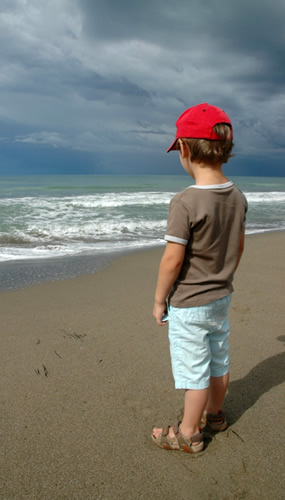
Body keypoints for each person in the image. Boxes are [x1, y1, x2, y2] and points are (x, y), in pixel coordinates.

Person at [152, 103, 248, 453]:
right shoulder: (237, 197)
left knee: (195, 371)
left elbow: (172, 260)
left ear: (185, 150)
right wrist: (223, 277)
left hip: (190, 303)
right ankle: (217, 415)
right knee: (218, 359)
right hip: (222, 296)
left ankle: (189, 433)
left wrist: (160, 299)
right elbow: (237, 248)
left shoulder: (185, 201)